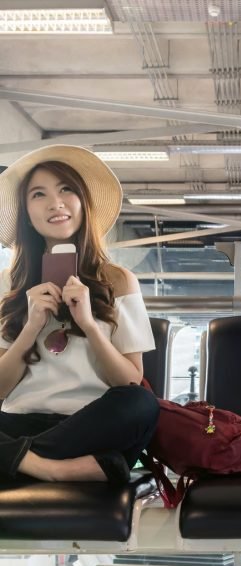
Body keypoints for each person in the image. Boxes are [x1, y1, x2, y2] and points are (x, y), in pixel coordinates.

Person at [0, 145, 159, 485]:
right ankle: (51, 469)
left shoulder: (118, 281)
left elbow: (128, 381)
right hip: (19, 421)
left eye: (66, 189)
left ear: (83, 203)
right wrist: (31, 329)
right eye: (38, 194)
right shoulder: (8, 286)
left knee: (141, 403)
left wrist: (88, 324)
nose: (55, 203)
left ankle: (19, 463)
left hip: (90, 425)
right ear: (27, 212)